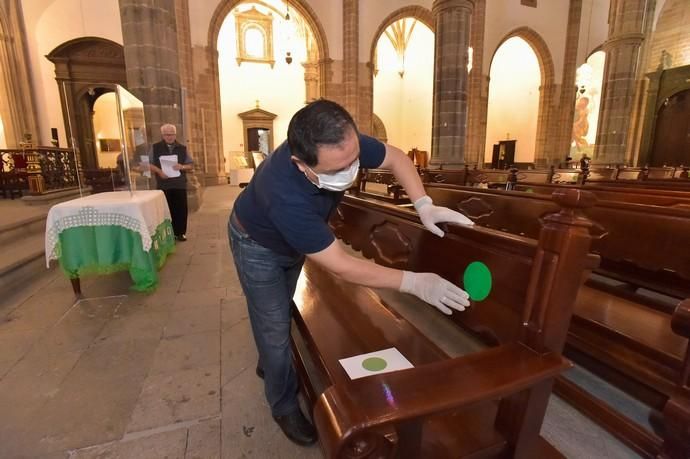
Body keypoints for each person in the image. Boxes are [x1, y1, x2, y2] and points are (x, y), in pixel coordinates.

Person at [228, 100, 475, 446]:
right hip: (257, 243)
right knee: (272, 323)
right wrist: (415, 282)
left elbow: (396, 157)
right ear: (301, 165)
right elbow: (341, 265)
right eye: (336, 171)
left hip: (296, 239)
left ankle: (272, 362)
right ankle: (282, 403)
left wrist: (424, 204)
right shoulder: (283, 193)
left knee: (278, 307)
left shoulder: (342, 144)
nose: (350, 173)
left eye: (353, 160)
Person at [148, 124, 193, 241]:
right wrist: (159, 171)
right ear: (162, 135)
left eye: (172, 134)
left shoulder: (182, 148)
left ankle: (181, 233)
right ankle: (169, 233)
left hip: (179, 184)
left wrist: (182, 166)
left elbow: (191, 165)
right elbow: (148, 164)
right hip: (164, 184)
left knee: (181, 209)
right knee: (166, 209)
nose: (170, 137)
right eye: (167, 134)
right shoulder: (155, 148)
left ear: (175, 134)